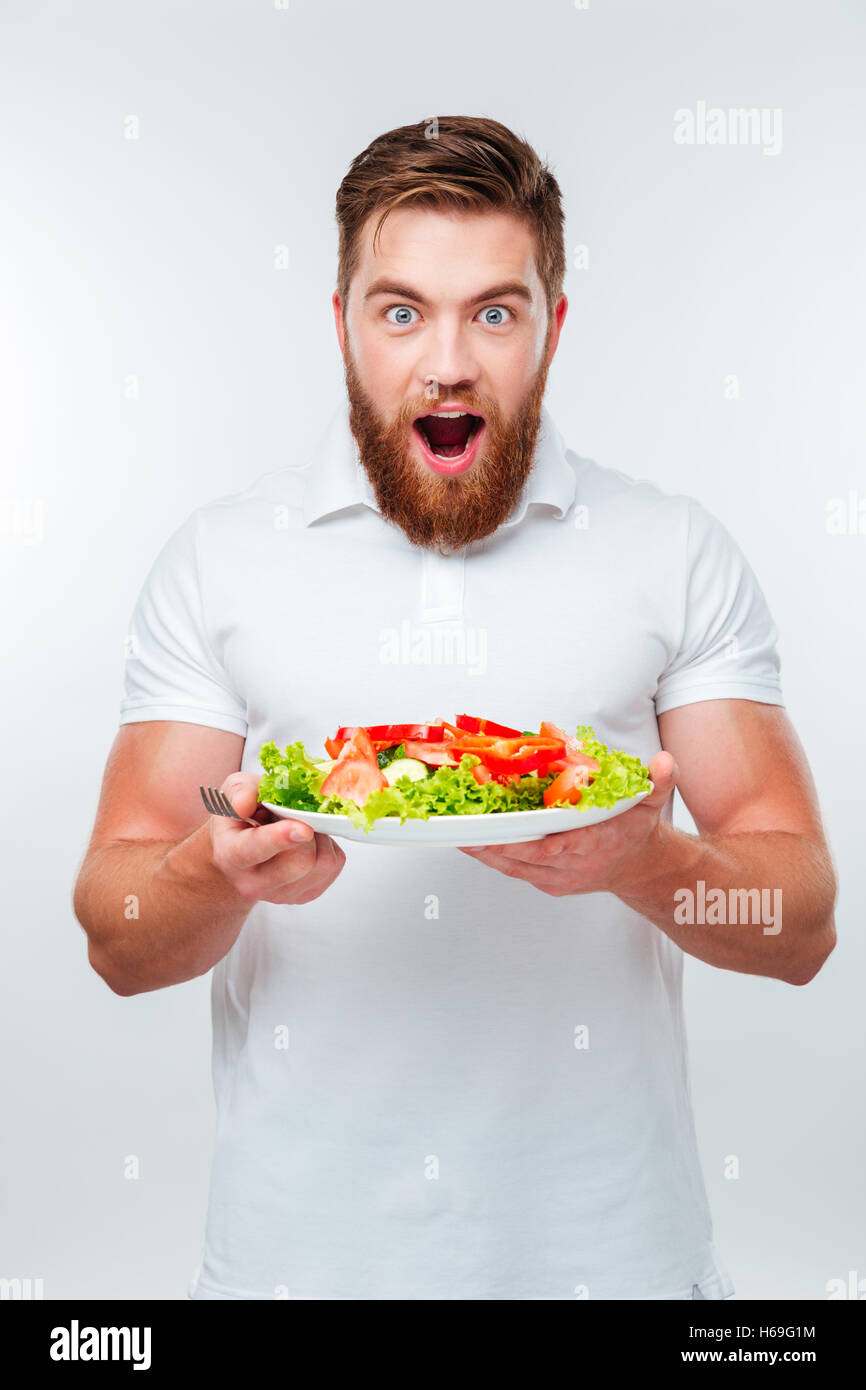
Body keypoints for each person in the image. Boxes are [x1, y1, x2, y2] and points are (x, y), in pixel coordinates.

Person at [73, 116, 837, 1301]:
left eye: (493, 310)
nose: (445, 363)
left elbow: (800, 925)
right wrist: (214, 870)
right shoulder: (220, 561)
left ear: (551, 328)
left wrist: (648, 862)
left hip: (613, 1265)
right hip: (298, 1271)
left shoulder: (671, 551)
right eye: (398, 311)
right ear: (338, 326)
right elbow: (115, 933)